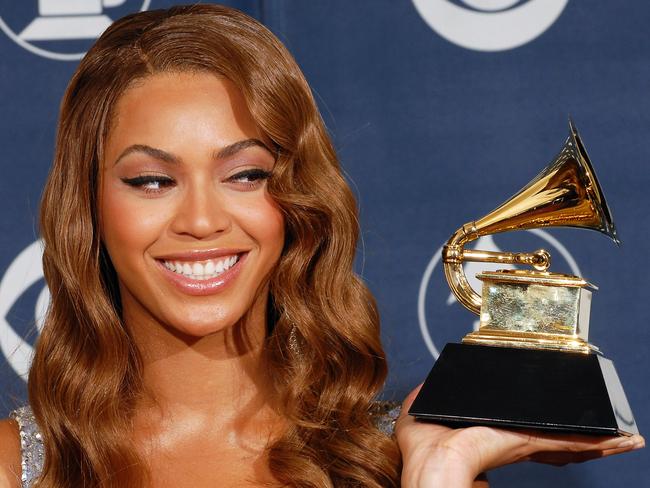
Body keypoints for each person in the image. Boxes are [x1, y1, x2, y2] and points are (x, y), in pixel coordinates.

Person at [0, 5, 643, 488]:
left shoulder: (392, 460)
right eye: (151, 181)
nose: (200, 219)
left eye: (246, 174)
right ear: (89, 205)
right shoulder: (18, 465)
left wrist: (440, 470)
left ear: (296, 200)